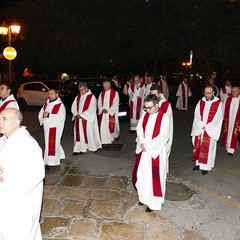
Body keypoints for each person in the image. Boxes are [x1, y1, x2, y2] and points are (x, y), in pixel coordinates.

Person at [0, 108, 45, 240]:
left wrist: (6, 177)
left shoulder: (27, 143)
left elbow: (37, 174)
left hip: (20, 203)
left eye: (4, 119)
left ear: (17, 122)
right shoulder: (3, 140)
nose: (0, 122)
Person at [132, 94, 170, 212]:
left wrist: (147, 146)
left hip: (155, 153)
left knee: (154, 177)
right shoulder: (145, 115)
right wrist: (142, 143)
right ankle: (143, 198)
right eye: (145, 108)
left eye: (149, 108)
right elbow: (139, 129)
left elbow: (162, 138)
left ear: (157, 105)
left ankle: (153, 203)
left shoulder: (165, 119)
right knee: (143, 175)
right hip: (144, 151)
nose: (147, 110)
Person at [191, 85, 223, 175]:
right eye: (205, 93)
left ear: (213, 92)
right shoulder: (201, 101)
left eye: (209, 93)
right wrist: (201, 125)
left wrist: (208, 126)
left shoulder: (218, 103)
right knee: (198, 145)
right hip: (200, 128)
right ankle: (198, 164)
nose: (207, 95)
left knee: (208, 148)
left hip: (210, 129)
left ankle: (205, 167)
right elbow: (196, 114)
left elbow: (218, 117)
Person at [38, 89, 66, 169]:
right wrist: (43, 115)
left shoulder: (59, 105)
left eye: (52, 93)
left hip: (55, 127)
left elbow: (61, 117)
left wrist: (49, 115)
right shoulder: (47, 104)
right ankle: (60, 155)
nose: (50, 95)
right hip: (47, 127)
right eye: (49, 94)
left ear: (57, 94)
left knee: (52, 144)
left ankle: (51, 163)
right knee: (51, 143)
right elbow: (41, 112)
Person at [71, 82, 101, 154]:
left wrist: (82, 115)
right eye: (80, 90)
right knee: (79, 134)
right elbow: (73, 107)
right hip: (79, 119)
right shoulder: (78, 97)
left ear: (86, 88)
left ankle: (92, 146)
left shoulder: (92, 97)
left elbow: (91, 109)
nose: (81, 92)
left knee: (88, 133)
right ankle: (79, 148)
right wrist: (76, 114)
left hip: (87, 120)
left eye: (82, 90)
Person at [150, 85, 173, 173]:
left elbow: (168, 122)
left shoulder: (166, 105)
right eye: (151, 94)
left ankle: (161, 172)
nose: (152, 97)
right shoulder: (149, 102)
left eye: (155, 95)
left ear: (160, 94)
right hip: (150, 134)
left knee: (161, 154)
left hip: (161, 134)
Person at [221, 86, 240, 155]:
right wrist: (223, 117)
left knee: (235, 134)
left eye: (235, 91)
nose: (233, 93)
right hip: (229, 120)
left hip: (237, 121)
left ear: (239, 92)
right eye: (232, 91)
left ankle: (233, 146)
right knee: (229, 134)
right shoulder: (228, 100)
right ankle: (229, 148)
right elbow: (222, 109)